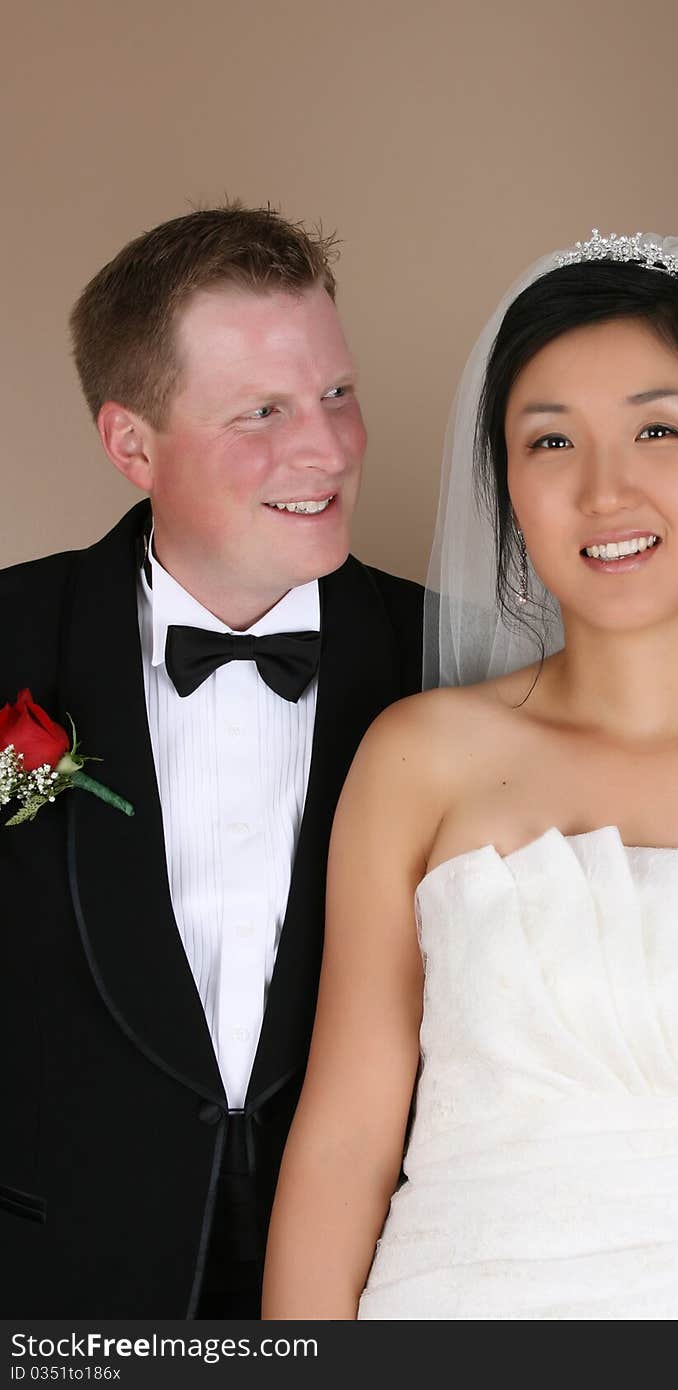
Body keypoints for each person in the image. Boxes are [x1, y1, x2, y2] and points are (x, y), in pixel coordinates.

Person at [262, 232, 678, 1319]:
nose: (605, 489)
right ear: (506, 483)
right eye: (551, 442)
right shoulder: (419, 755)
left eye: (656, 428)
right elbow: (344, 1143)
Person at [0, 204, 423, 1318]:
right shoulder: (6, 637)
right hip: (55, 1297)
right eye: (263, 411)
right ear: (131, 443)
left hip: (391, 1288)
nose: (327, 448)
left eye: (336, 392)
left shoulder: (466, 662)